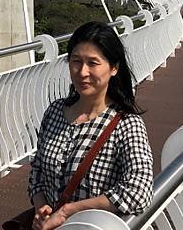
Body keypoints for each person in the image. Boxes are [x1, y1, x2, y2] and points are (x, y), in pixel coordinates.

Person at [28, 21, 153, 230]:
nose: (82, 72)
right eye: (76, 61)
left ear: (113, 68)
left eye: (93, 63)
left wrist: (69, 211)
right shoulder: (54, 112)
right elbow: (37, 171)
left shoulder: (126, 125)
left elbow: (139, 191)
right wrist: (42, 210)